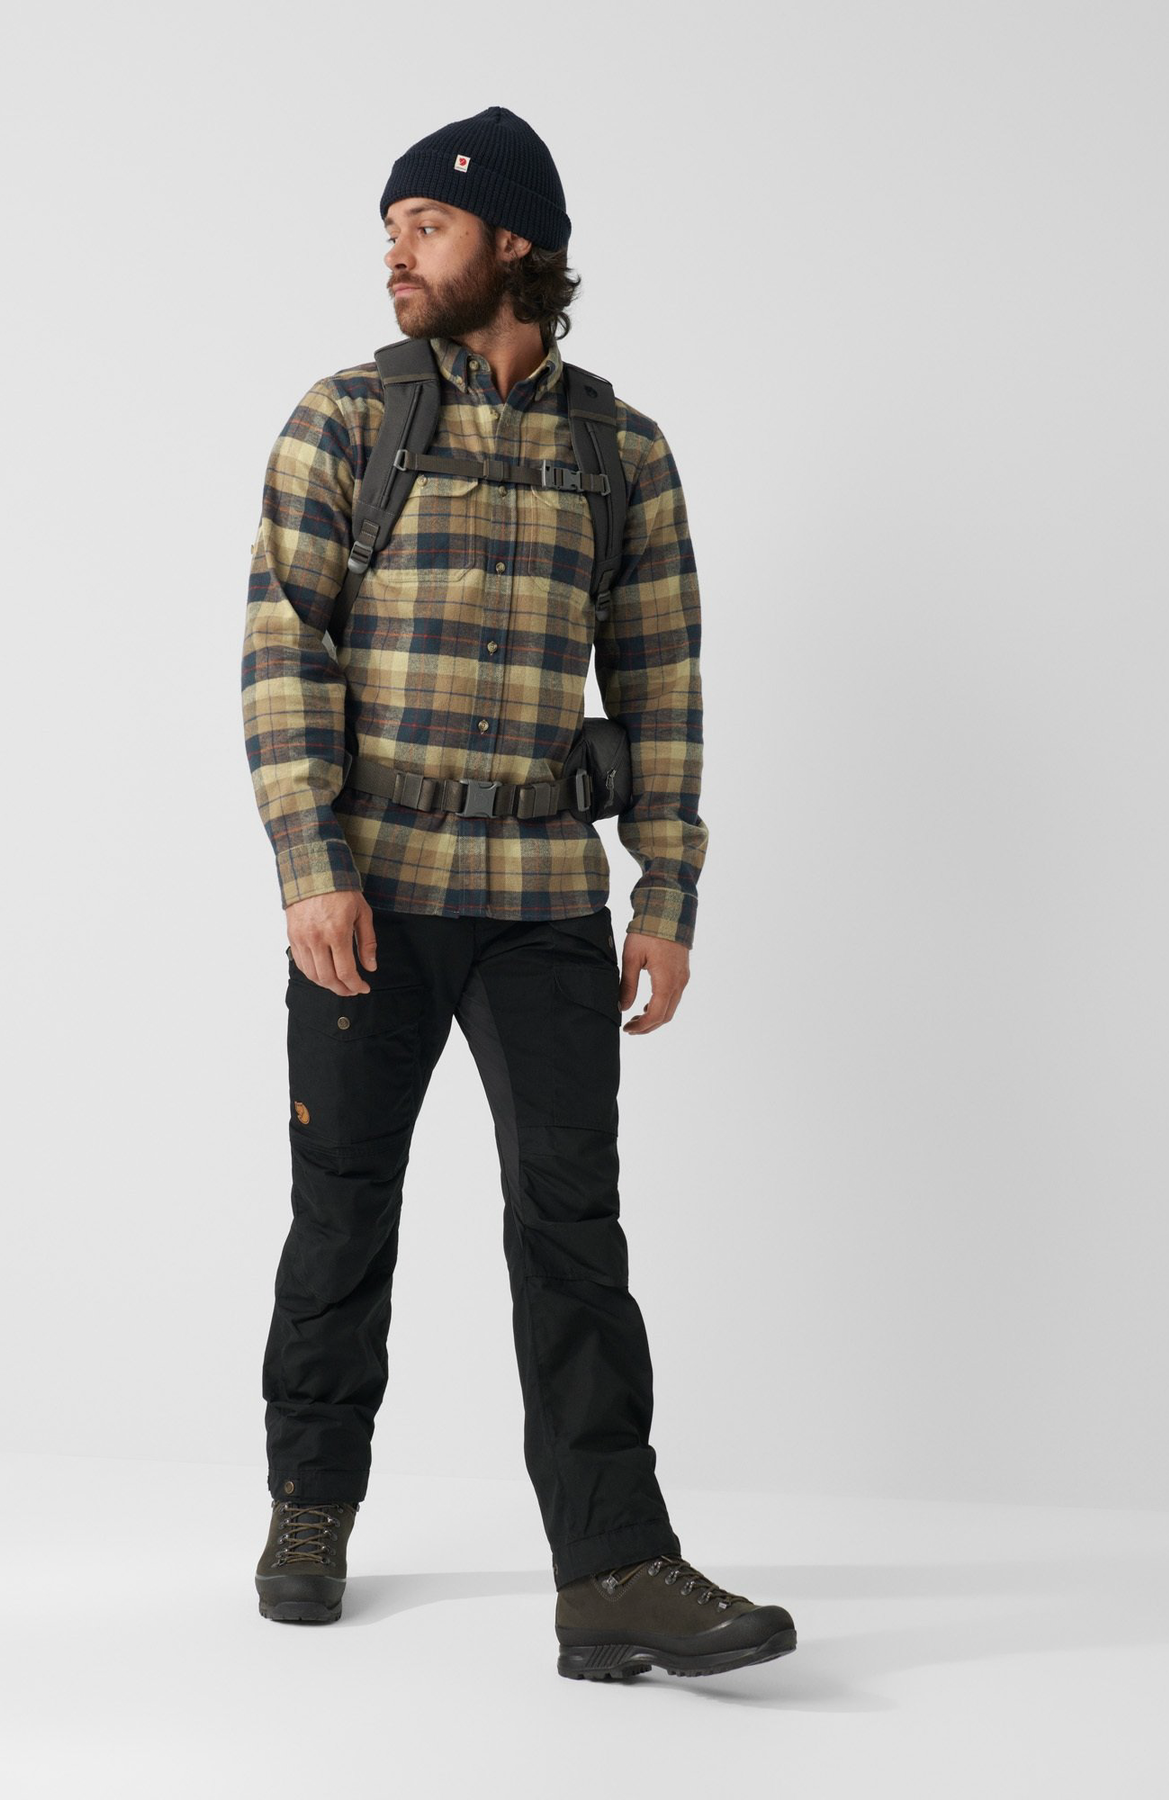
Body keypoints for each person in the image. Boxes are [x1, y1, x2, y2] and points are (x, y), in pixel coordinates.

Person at [239, 104, 795, 1682]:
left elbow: (663, 683)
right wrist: (310, 867)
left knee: (573, 1228)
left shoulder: (622, 453)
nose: (396, 252)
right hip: (374, 894)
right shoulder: (346, 421)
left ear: (515, 243)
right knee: (343, 1207)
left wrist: (667, 892)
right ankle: (310, 1506)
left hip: (548, 900)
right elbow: (284, 647)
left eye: (426, 223)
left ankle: (612, 1569)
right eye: (392, 228)